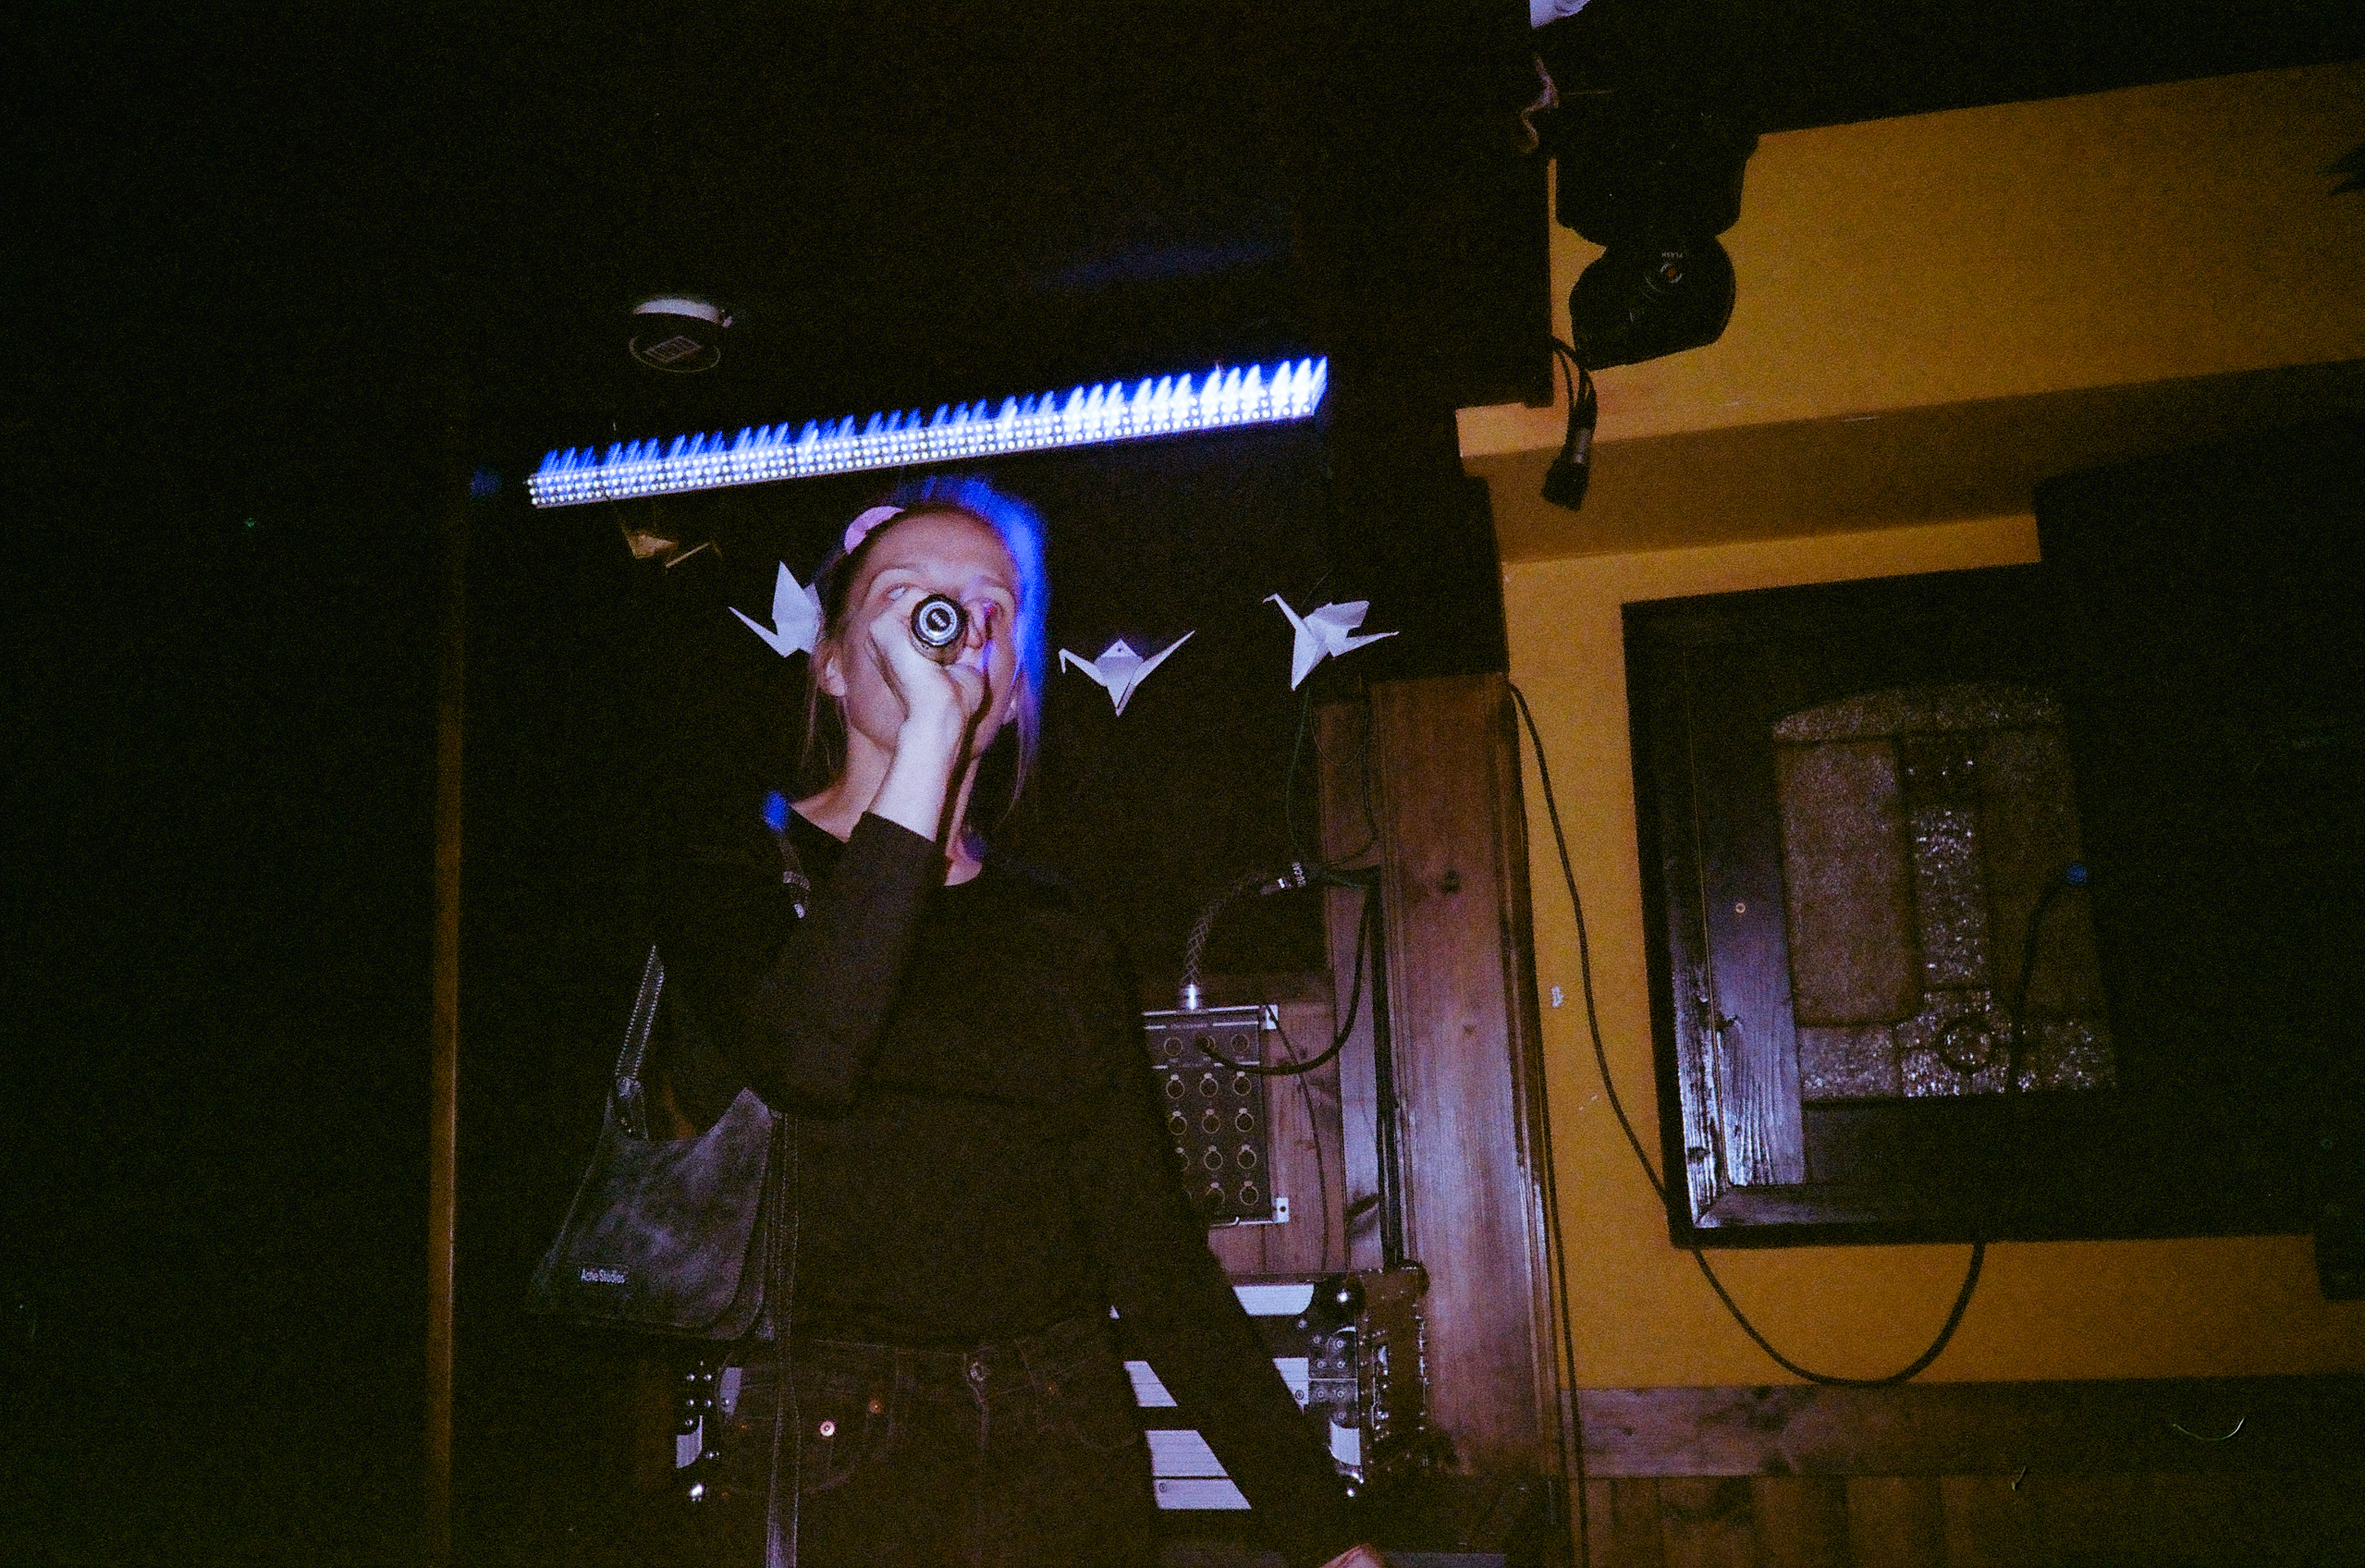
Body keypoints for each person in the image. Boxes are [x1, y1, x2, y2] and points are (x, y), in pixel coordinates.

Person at [647, 474, 1384, 1568]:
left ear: (1015, 688)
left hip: (1062, 1436)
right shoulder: (733, 874)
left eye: (989, 609)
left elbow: (1150, 1252)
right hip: (834, 1448)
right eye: (909, 601)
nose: (955, 629)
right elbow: (810, 1054)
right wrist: (927, 746)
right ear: (835, 664)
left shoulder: (1057, 929)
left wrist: (1326, 1535)